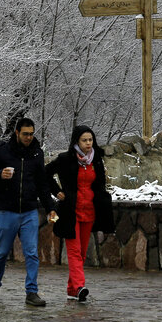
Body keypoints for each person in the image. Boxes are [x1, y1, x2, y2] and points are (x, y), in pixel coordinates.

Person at [0, 117, 58, 307]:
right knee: (1, 252)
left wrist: (51, 209)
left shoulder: (37, 154)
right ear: (17, 133)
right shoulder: (2, 151)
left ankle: (32, 292)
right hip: (7, 210)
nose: (29, 137)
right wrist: (0, 175)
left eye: (32, 134)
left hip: (29, 211)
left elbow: (43, 184)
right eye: (25, 134)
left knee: (32, 253)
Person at [45, 125, 115, 302]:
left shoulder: (96, 159)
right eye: (84, 140)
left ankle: (72, 288)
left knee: (82, 252)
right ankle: (80, 286)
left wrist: (103, 199)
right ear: (76, 141)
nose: (88, 143)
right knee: (74, 251)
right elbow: (45, 174)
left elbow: (100, 184)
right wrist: (57, 191)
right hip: (70, 211)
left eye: (90, 140)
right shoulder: (65, 159)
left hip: (89, 210)